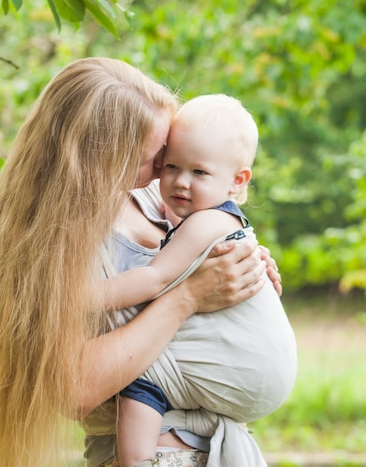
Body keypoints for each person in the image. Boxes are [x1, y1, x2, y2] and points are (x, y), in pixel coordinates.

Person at [0, 58, 280, 467]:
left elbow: (198, 254)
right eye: (156, 158)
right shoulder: (52, 243)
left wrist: (244, 262)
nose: (167, 170)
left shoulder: (155, 199)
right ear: (102, 159)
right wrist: (188, 296)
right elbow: (73, 390)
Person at [98, 94, 297, 467]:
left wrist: (86, 297)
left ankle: (137, 459)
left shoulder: (205, 223)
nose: (180, 182)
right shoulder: (213, 220)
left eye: (199, 172)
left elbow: (154, 278)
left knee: (140, 379)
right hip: (261, 378)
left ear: (237, 181)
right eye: (171, 166)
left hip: (248, 371)